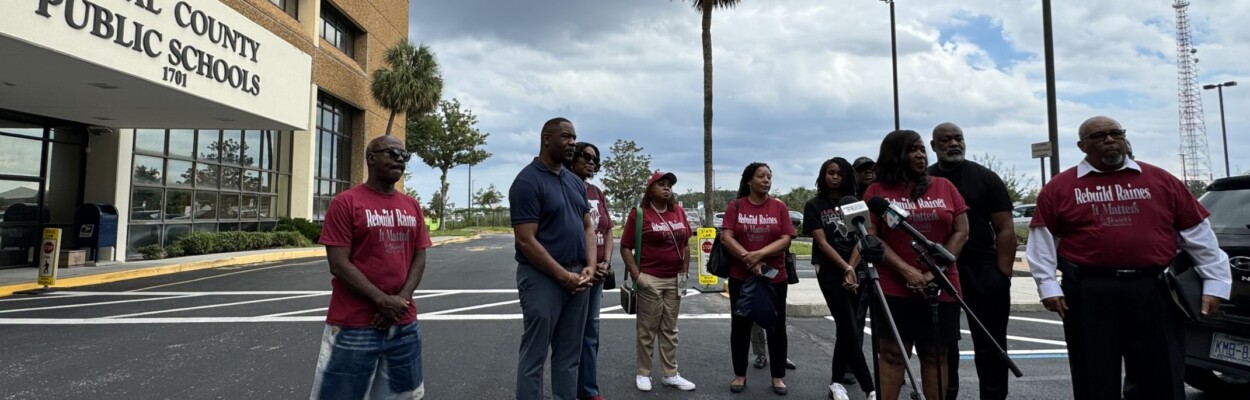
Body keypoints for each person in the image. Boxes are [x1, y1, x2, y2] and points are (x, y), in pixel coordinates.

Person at [1026, 116, 1231, 400]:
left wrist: (1216, 282)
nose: (1110, 140)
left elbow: (1199, 235)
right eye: (1099, 136)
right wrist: (1047, 285)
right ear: (1082, 145)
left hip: (1154, 288)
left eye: (1115, 133)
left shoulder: (1160, 180)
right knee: (1093, 374)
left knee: (1162, 373)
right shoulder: (1060, 187)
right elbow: (1042, 240)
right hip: (1089, 290)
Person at [311, 135, 432, 400]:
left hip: (403, 324)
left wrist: (400, 300)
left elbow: (419, 257)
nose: (400, 158)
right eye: (391, 152)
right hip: (354, 325)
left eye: (404, 155)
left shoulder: (411, 206)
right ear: (371, 158)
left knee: (405, 396)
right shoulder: (346, 203)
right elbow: (338, 264)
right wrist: (382, 301)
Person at [864, 130, 969, 400]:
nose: (921, 155)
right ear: (895, 154)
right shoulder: (876, 192)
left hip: (942, 284)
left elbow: (961, 231)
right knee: (892, 354)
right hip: (894, 285)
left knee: (935, 354)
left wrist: (935, 272)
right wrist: (908, 271)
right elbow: (871, 236)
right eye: (913, 150)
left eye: (923, 149)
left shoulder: (944, 186)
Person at [509, 117, 597, 400]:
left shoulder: (574, 182)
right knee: (534, 355)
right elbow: (526, 239)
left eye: (574, 137)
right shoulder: (526, 181)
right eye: (566, 137)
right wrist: (563, 276)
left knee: (569, 354)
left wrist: (590, 268)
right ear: (547, 139)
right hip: (542, 278)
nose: (572, 143)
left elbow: (588, 227)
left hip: (578, 277)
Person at [927, 123, 1016, 400]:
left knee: (991, 346)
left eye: (958, 138)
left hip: (984, 270)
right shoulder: (925, 180)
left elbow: (1005, 228)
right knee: (943, 347)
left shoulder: (985, 178)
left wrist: (1002, 275)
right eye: (946, 140)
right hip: (941, 271)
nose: (954, 143)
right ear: (934, 146)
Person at [804, 157, 877, 400]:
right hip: (829, 270)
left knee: (846, 329)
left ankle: (836, 382)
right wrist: (845, 267)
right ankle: (870, 388)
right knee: (848, 326)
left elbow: (862, 237)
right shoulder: (815, 205)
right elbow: (822, 242)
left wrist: (852, 267)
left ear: (847, 176)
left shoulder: (856, 203)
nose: (834, 177)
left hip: (856, 270)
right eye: (829, 173)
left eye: (839, 173)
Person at [721, 162, 796, 396]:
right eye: (761, 176)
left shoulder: (779, 207)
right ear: (749, 180)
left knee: (776, 326)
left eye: (769, 177)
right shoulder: (736, 206)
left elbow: (786, 239)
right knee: (740, 326)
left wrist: (760, 255)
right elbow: (726, 237)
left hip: (775, 277)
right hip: (741, 277)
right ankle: (740, 375)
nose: (766, 180)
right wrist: (748, 259)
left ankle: (777, 377)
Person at [621, 171, 697, 393]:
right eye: (661, 184)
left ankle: (670, 374)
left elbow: (685, 244)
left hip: (675, 279)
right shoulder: (640, 214)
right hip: (650, 279)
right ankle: (643, 373)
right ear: (650, 189)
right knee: (647, 329)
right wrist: (638, 276)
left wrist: (684, 272)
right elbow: (625, 247)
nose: (667, 188)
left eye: (669, 185)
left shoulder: (679, 212)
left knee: (670, 329)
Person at [563, 142, 613, 400]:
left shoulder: (597, 192)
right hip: (576, 272)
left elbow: (608, 230)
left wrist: (606, 263)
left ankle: (589, 390)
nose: (591, 162)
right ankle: (568, 391)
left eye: (596, 158)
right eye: (586, 156)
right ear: (572, 159)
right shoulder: (564, 187)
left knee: (591, 334)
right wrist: (588, 267)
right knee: (571, 336)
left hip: (598, 275)